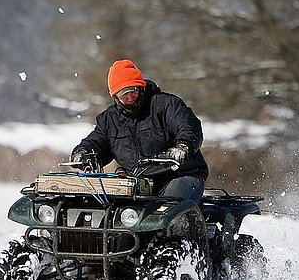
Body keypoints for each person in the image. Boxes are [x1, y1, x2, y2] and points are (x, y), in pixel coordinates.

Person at [70, 59, 209, 202]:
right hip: (135, 182)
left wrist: (183, 146)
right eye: (124, 94)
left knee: (172, 205)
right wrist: (83, 153)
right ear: (115, 97)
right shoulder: (109, 120)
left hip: (177, 176)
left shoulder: (166, 105)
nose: (130, 98)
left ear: (141, 87)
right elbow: (97, 142)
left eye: (133, 91)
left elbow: (188, 126)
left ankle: (182, 223)